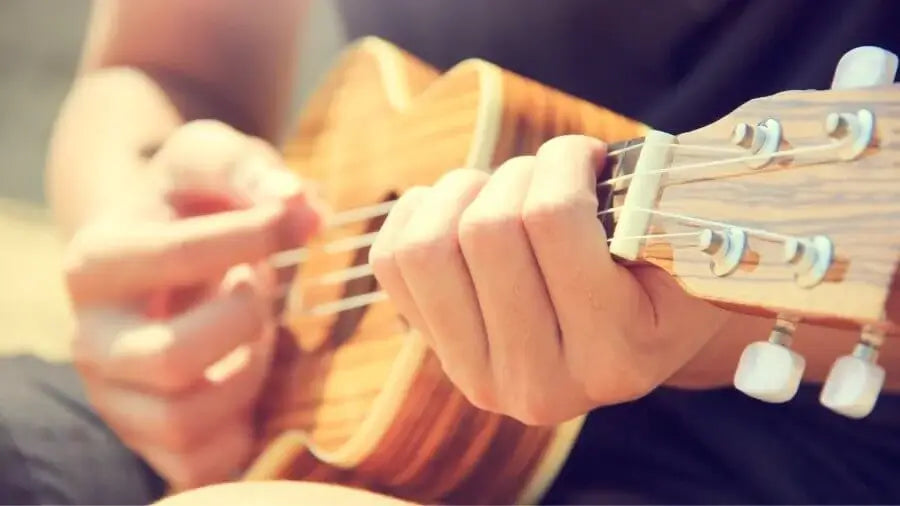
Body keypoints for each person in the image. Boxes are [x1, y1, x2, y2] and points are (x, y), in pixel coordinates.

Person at [2, 0, 899, 504]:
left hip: (774, 459)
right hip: (290, 388)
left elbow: (864, 211)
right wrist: (145, 244)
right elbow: (166, 67)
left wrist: (701, 319)